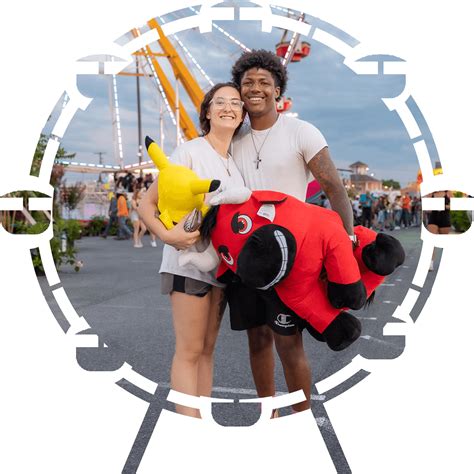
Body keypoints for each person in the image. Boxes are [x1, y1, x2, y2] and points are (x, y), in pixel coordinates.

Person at [229, 49, 355, 412]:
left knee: (289, 343)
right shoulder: (232, 138)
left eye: (264, 82)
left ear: (278, 90)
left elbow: (334, 189)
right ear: (239, 89)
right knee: (257, 339)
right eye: (247, 82)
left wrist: (345, 243)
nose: (255, 88)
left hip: (291, 257)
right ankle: (267, 414)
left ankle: (301, 417)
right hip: (244, 257)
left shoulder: (301, 131)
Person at [138, 82, 245, 417]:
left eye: (235, 103)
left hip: (220, 267)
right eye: (220, 102)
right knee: (189, 350)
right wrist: (167, 236)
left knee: (207, 351)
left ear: (242, 114)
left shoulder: (235, 164)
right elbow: (146, 203)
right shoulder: (189, 152)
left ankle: (202, 422)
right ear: (207, 112)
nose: (228, 108)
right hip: (185, 264)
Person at [427, 190, 451, 271]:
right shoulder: (431, 194)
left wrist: (443, 206)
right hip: (433, 218)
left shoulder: (448, 193)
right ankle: (430, 263)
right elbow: (427, 207)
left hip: (445, 218)